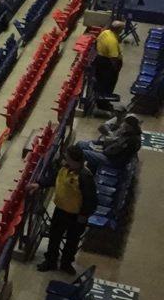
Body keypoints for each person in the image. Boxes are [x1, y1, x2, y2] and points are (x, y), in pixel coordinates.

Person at [40, 145, 97, 273]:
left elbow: (91, 199)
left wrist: (84, 215)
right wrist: (39, 184)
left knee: (72, 241)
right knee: (54, 237)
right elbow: (53, 179)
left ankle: (66, 264)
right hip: (60, 210)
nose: (64, 160)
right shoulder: (63, 168)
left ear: (74, 161)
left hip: (76, 216)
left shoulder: (85, 176)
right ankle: (51, 261)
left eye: (67, 158)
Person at [76, 113, 141, 172]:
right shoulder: (129, 133)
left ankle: (79, 172)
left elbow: (114, 150)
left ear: (130, 126)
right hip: (110, 152)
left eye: (126, 124)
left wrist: (100, 150)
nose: (123, 124)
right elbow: (114, 143)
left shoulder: (131, 139)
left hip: (112, 160)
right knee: (80, 144)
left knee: (83, 153)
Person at [94, 20, 124, 97]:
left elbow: (96, 42)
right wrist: (115, 69)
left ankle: (99, 97)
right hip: (107, 64)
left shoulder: (105, 32)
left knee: (100, 81)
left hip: (99, 59)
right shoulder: (112, 41)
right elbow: (113, 58)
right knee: (108, 83)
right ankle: (104, 102)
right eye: (121, 28)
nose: (122, 30)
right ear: (118, 29)